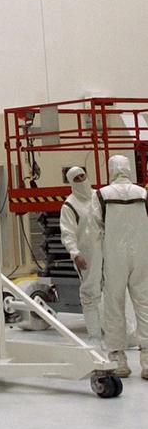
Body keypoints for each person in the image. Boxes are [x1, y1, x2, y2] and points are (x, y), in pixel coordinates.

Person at [91, 154, 148, 379]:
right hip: (142, 255)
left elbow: (94, 230)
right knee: (145, 305)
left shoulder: (102, 195)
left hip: (114, 256)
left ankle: (118, 360)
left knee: (114, 306)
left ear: (111, 170)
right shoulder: (142, 194)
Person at [59, 166, 102, 342]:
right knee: (90, 294)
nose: (81, 180)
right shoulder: (69, 205)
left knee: (113, 292)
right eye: (76, 178)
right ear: (71, 182)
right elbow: (67, 233)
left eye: (83, 176)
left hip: (108, 251)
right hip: (87, 255)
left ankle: (120, 334)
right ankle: (95, 334)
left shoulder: (99, 197)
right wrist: (75, 254)